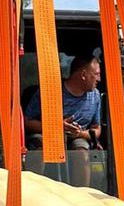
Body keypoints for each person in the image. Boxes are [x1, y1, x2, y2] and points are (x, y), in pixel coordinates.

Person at [24, 55, 102, 185]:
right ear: (83, 74)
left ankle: (81, 196)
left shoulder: (95, 96)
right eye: (96, 74)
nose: (99, 79)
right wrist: (55, 126)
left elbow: (96, 128)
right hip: (45, 134)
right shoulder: (48, 90)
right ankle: (34, 191)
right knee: (39, 151)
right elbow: (27, 122)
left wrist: (80, 133)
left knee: (82, 155)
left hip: (77, 137)